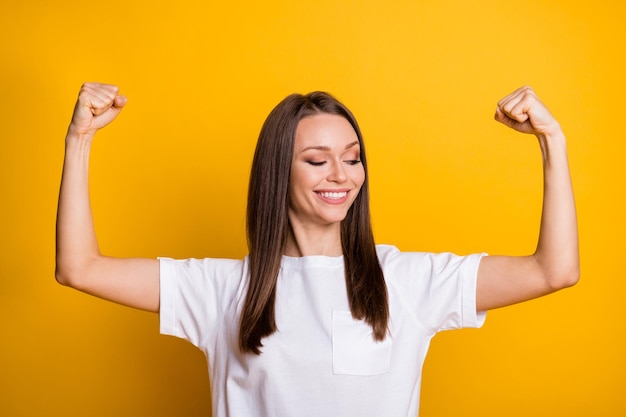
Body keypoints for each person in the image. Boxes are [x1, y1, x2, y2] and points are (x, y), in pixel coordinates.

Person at [56, 82, 579, 416]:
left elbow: (554, 271)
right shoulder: (221, 290)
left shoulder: (407, 281)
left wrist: (551, 141)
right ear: (276, 172)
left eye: (352, 159)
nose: (341, 176)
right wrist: (78, 140)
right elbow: (78, 269)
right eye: (317, 160)